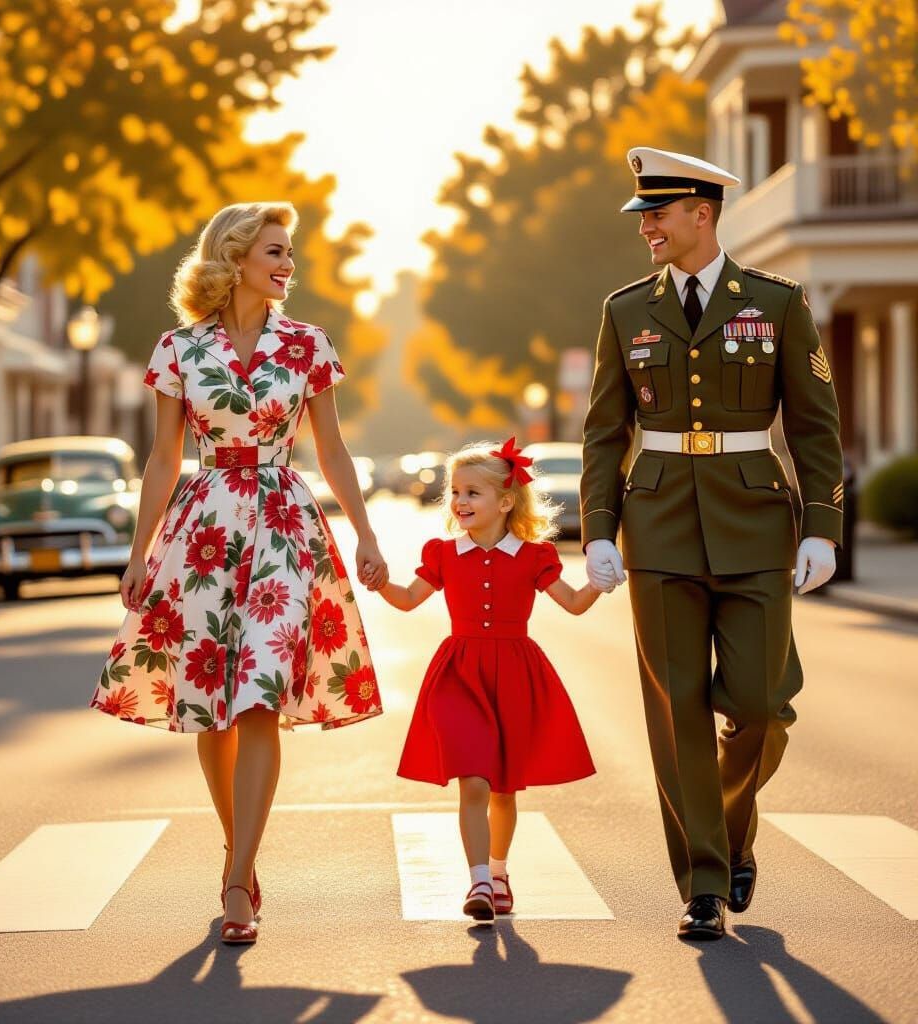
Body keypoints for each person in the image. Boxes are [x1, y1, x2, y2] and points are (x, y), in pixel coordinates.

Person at [88, 201, 388, 946]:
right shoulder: (178, 350)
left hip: (285, 525)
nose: (289, 265)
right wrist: (138, 552)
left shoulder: (308, 345)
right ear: (236, 259)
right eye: (276, 252)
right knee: (212, 708)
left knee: (258, 694)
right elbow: (164, 458)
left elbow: (335, 450)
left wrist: (367, 533)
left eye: (290, 253)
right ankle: (241, 854)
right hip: (206, 528)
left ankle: (234, 882)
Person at [580, 147, 843, 940]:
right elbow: (603, 434)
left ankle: (731, 830)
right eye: (642, 216)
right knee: (678, 714)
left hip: (756, 520)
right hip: (657, 526)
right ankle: (703, 881)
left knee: (762, 706)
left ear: (704, 211)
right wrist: (597, 531)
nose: (647, 227)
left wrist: (825, 530)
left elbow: (816, 431)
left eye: (659, 213)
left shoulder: (779, 303)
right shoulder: (624, 310)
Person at [376, 438, 601, 923]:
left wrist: (600, 582)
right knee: (473, 780)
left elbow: (575, 602)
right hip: (458, 674)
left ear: (504, 501)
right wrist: (379, 583)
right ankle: (479, 879)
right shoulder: (442, 553)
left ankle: (498, 872)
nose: (460, 501)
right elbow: (409, 599)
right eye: (455, 491)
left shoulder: (533, 556)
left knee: (503, 789)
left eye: (473, 492)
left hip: (516, 674)